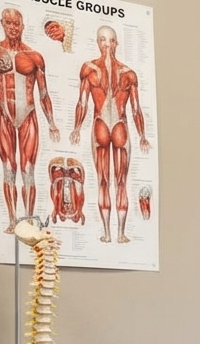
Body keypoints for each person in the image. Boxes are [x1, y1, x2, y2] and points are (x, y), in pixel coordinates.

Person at [0, 8, 61, 232]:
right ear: (2, 23)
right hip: (3, 112)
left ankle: (29, 219)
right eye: (8, 23)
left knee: (28, 169)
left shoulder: (34, 56)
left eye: (17, 24)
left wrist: (51, 122)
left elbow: (43, 93)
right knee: (8, 168)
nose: (13, 28)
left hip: (28, 114)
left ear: (23, 26)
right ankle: (13, 220)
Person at [70, 25, 151, 244]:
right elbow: (82, 102)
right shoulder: (93, 70)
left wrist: (143, 134)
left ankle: (116, 233)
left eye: (110, 40)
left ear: (116, 43)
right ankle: (111, 233)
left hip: (114, 125)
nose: (107, 45)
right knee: (106, 180)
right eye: (103, 40)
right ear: (98, 42)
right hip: (106, 124)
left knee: (116, 181)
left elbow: (136, 108)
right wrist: (76, 127)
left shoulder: (125, 74)